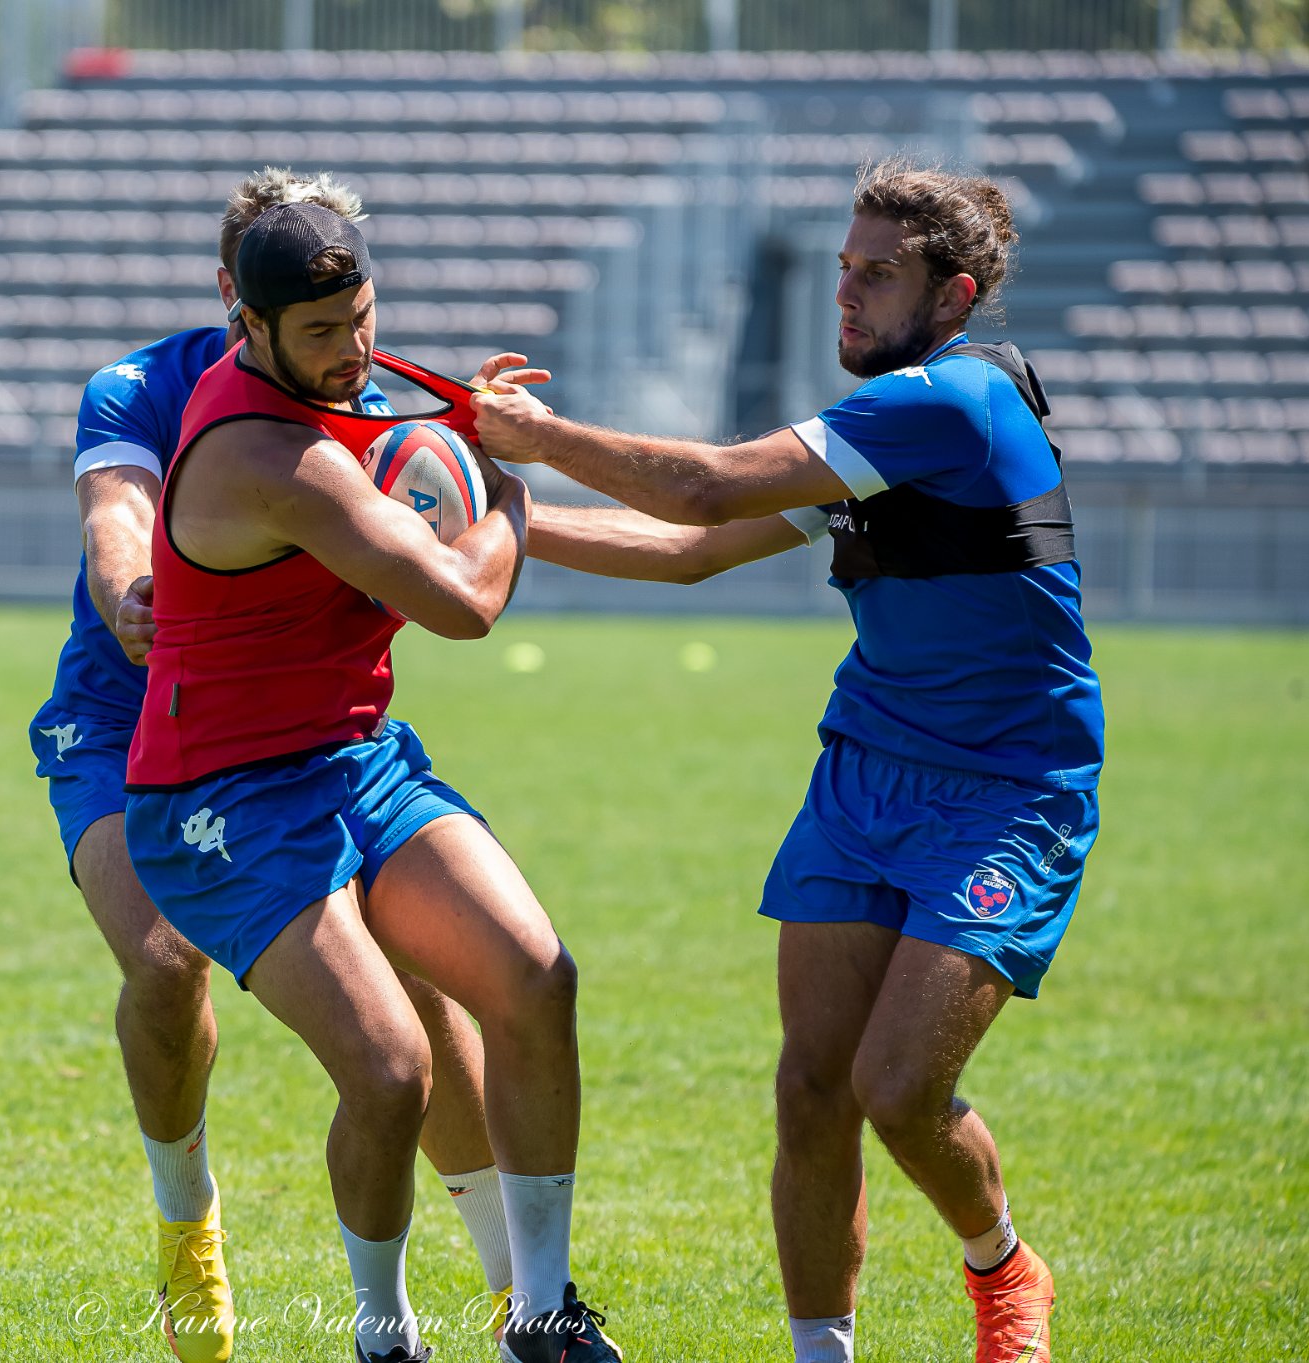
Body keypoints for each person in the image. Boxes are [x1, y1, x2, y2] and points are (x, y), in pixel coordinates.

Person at [473, 161, 1101, 1363]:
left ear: (953, 294)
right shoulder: (881, 429)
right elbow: (680, 554)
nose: (848, 295)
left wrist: (536, 439)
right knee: (809, 1086)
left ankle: (1001, 1264)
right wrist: (496, 518)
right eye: (843, 269)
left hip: (1007, 793)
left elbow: (704, 489)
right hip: (864, 774)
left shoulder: (948, 408)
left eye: (879, 275)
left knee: (893, 1085)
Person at [29, 168, 524, 1360]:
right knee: (159, 959)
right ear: (233, 293)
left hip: (302, 735)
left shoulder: (357, 380)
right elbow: (115, 508)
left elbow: (437, 524)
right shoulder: (143, 386)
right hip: (127, 724)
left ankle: (520, 1294)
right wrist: (127, 592)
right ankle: (186, 1231)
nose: (339, 330)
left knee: (418, 995)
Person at [123, 200, 622, 1363]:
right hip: (220, 801)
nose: (350, 352)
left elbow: (420, 434)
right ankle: (382, 1336)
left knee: (536, 978)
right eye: (316, 334)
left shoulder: (351, 383)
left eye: (360, 319)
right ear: (241, 320)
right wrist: (509, 492)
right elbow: (462, 603)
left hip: (353, 761)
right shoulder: (264, 453)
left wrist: (475, 422)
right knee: (391, 1068)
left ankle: (540, 1317)